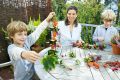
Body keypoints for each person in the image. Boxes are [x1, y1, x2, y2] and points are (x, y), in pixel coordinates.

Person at [7, 12, 55, 80]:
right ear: (12, 36)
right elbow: (16, 52)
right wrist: (24, 53)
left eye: (25, 34)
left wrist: (47, 19)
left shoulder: (26, 42)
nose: (23, 37)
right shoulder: (11, 48)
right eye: (19, 34)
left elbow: (37, 31)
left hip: (33, 75)